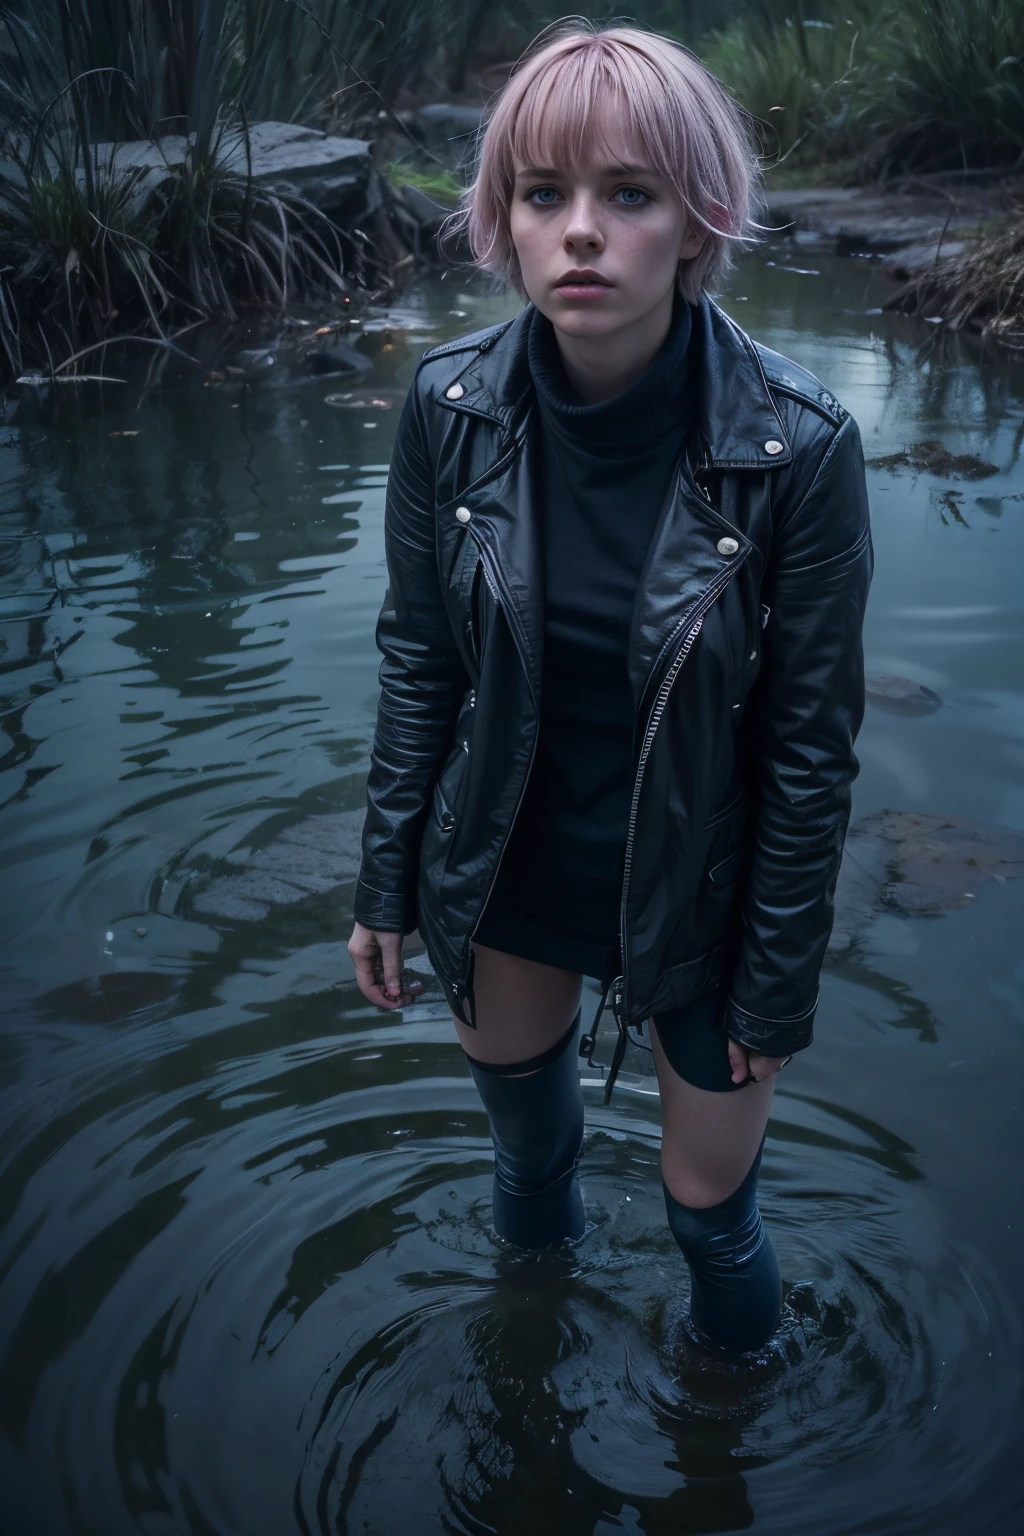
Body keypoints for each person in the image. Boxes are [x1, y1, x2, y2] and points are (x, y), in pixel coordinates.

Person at [348, 21, 873, 1358]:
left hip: (702, 897)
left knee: (713, 1221)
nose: (581, 230)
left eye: (629, 193)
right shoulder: (449, 409)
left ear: (697, 222)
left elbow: (809, 750)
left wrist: (775, 987)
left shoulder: (800, 449)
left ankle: (724, 1435)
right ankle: (529, 1374)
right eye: (545, 193)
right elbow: (421, 660)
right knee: (529, 1169)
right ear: (505, 220)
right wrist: (387, 879)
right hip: (510, 865)